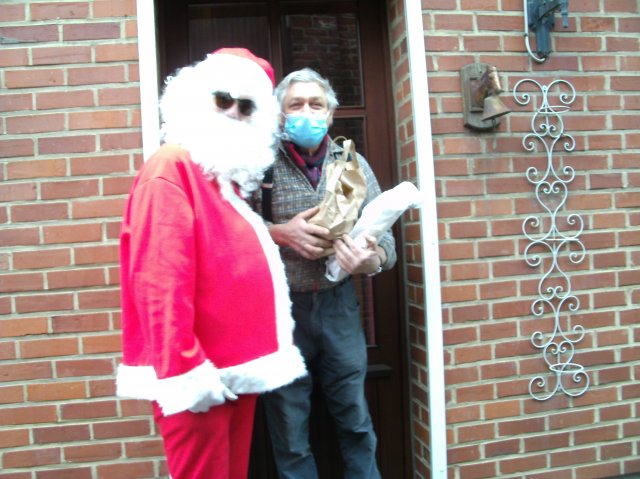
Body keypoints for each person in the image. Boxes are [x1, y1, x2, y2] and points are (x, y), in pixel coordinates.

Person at [116, 48, 307, 479]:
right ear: (195, 98)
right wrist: (186, 371)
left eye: (247, 107)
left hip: (233, 374)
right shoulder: (171, 167)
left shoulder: (221, 181)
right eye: (223, 99)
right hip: (198, 377)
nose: (234, 113)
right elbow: (159, 281)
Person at [255, 68, 397, 479]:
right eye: (296, 104)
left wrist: (370, 262)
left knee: (355, 421)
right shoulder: (259, 163)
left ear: (331, 113)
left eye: (316, 105)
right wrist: (280, 233)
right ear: (281, 114)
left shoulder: (353, 164)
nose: (307, 112)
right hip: (282, 312)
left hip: (340, 307)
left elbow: (386, 243)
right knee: (290, 432)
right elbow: (231, 229)